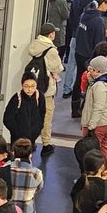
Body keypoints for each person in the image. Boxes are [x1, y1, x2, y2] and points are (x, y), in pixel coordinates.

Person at [27, 24, 64, 156]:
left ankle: (30, 143)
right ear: (51, 34)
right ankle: (46, 144)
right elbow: (58, 68)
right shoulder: (51, 50)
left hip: (33, 87)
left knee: (32, 115)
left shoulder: (33, 45)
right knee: (46, 116)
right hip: (46, 90)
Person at [80, 55, 107, 165]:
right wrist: (91, 79)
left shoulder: (100, 86)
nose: (88, 70)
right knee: (104, 146)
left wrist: (91, 128)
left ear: (97, 70)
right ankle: (105, 171)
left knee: (91, 152)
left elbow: (98, 108)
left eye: (91, 68)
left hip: (100, 123)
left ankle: (93, 175)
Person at [3, 74, 45, 149]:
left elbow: (42, 114)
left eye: (33, 86)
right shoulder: (16, 98)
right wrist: (17, 132)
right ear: (22, 85)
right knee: (17, 159)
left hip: (32, 139)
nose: (30, 89)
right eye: (26, 86)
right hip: (17, 141)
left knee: (28, 158)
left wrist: (38, 129)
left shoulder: (40, 97)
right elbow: (7, 119)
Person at [9, 139, 43, 213]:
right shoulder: (36, 173)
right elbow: (38, 188)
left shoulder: (4, 169)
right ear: (30, 155)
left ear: (13, 153)